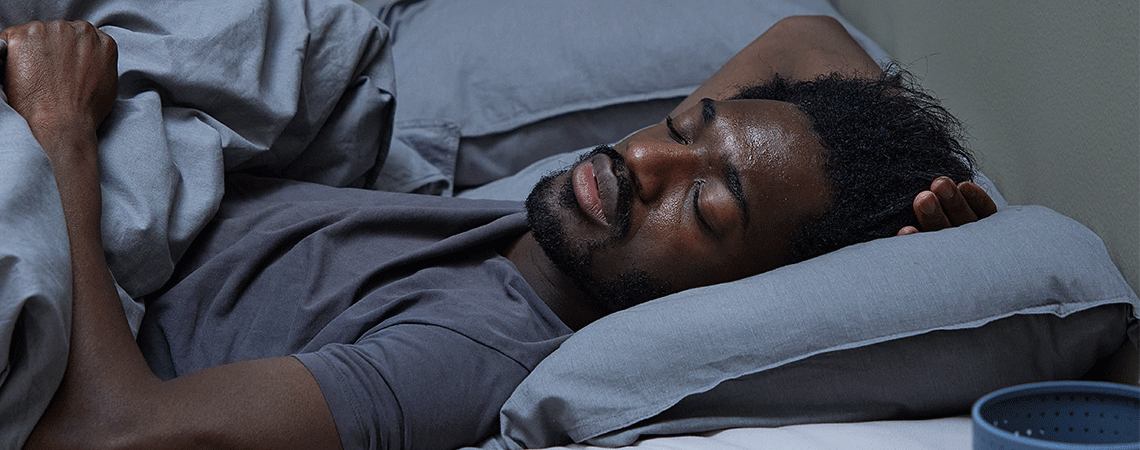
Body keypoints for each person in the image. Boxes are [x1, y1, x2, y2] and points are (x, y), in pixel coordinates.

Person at [6, 15, 995, 450]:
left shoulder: (474, 352)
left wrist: (61, 138)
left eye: (706, 206)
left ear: (754, 288)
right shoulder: (569, 223)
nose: (645, 162)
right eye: (683, 128)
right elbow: (808, 40)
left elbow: (106, 437)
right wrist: (898, 195)